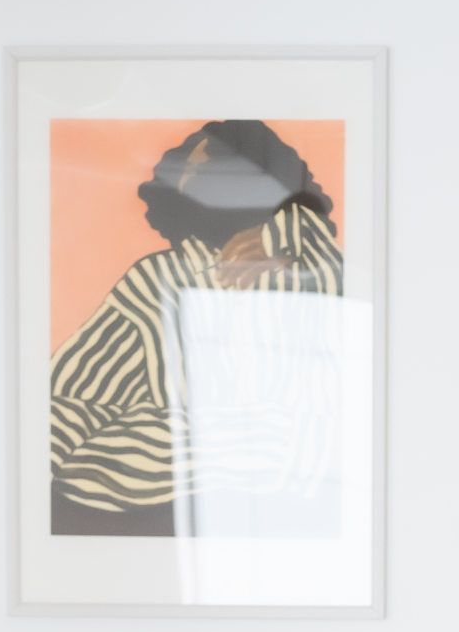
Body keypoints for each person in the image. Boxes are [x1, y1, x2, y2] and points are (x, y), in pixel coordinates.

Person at [50, 119, 345, 536]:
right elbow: (75, 387)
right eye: (186, 171)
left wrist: (280, 240)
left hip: (282, 475)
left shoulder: (312, 268)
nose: (192, 179)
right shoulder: (158, 275)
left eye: (212, 166)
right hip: (163, 467)